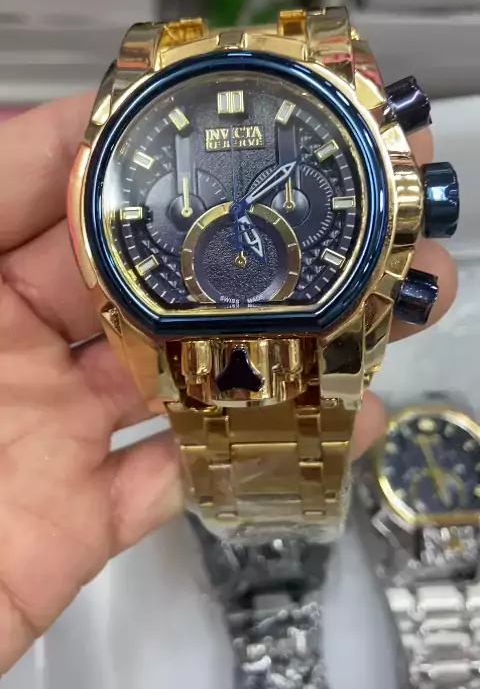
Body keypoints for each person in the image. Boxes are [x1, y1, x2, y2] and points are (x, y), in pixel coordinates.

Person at [0, 95, 457, 675]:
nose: (237, 211)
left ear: (411, 199)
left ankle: (279, 529)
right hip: (181, 328)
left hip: (308, 321)